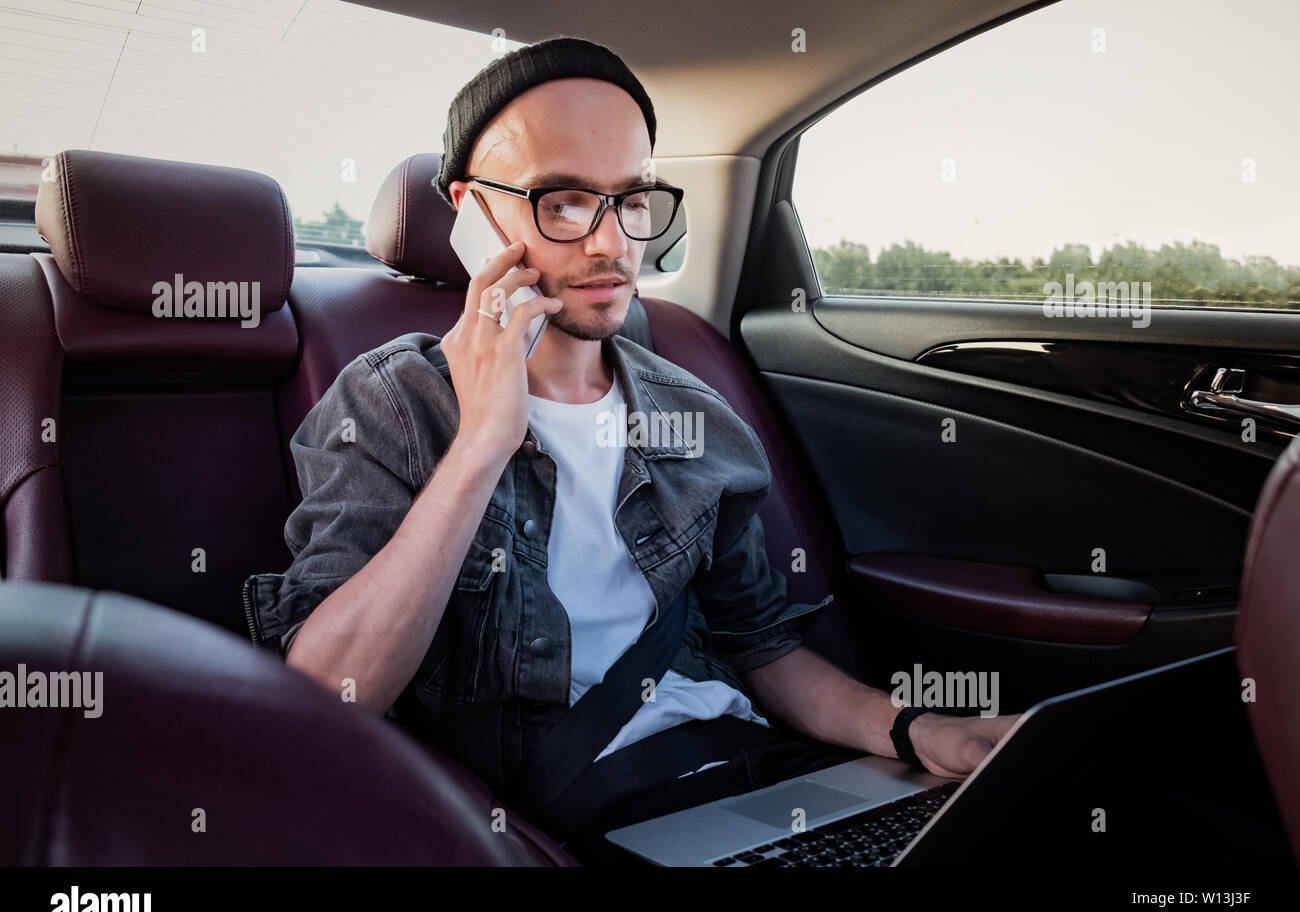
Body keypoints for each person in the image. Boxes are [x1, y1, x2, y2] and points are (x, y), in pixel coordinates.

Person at [243, 35, 1017, 865]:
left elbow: (763, 650)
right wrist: (482, 444)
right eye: (564, 201)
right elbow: (330, 697)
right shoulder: (392, 402)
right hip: (567, 823)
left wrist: (916, 729)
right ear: (472, 212)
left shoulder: (698, 415)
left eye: (633, 200)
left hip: (766, 780)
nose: (613, 244)